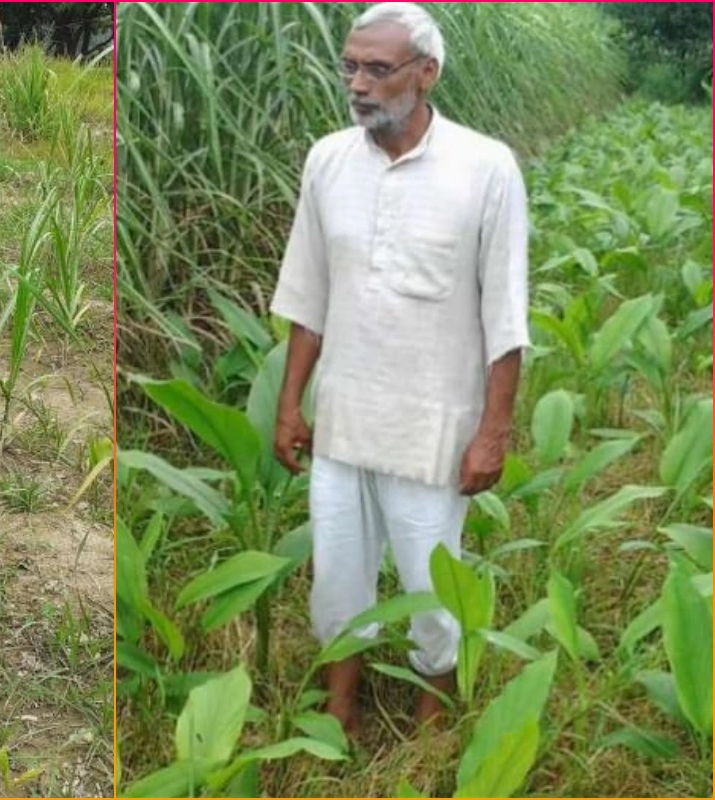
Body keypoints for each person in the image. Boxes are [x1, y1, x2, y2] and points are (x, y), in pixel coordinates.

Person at [270, 2, 529, 736]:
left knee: (430, 586)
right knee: (338, 579)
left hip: (434, 430)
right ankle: (340, 717)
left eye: (377, 70)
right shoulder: (328, 160)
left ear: (427, 72)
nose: (357, 84)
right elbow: (308, 296)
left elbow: (505, 318)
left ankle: (432, 729)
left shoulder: (486, 168)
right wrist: (290, 405)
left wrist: (494, 430)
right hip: (344, 421)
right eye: (350, 66)